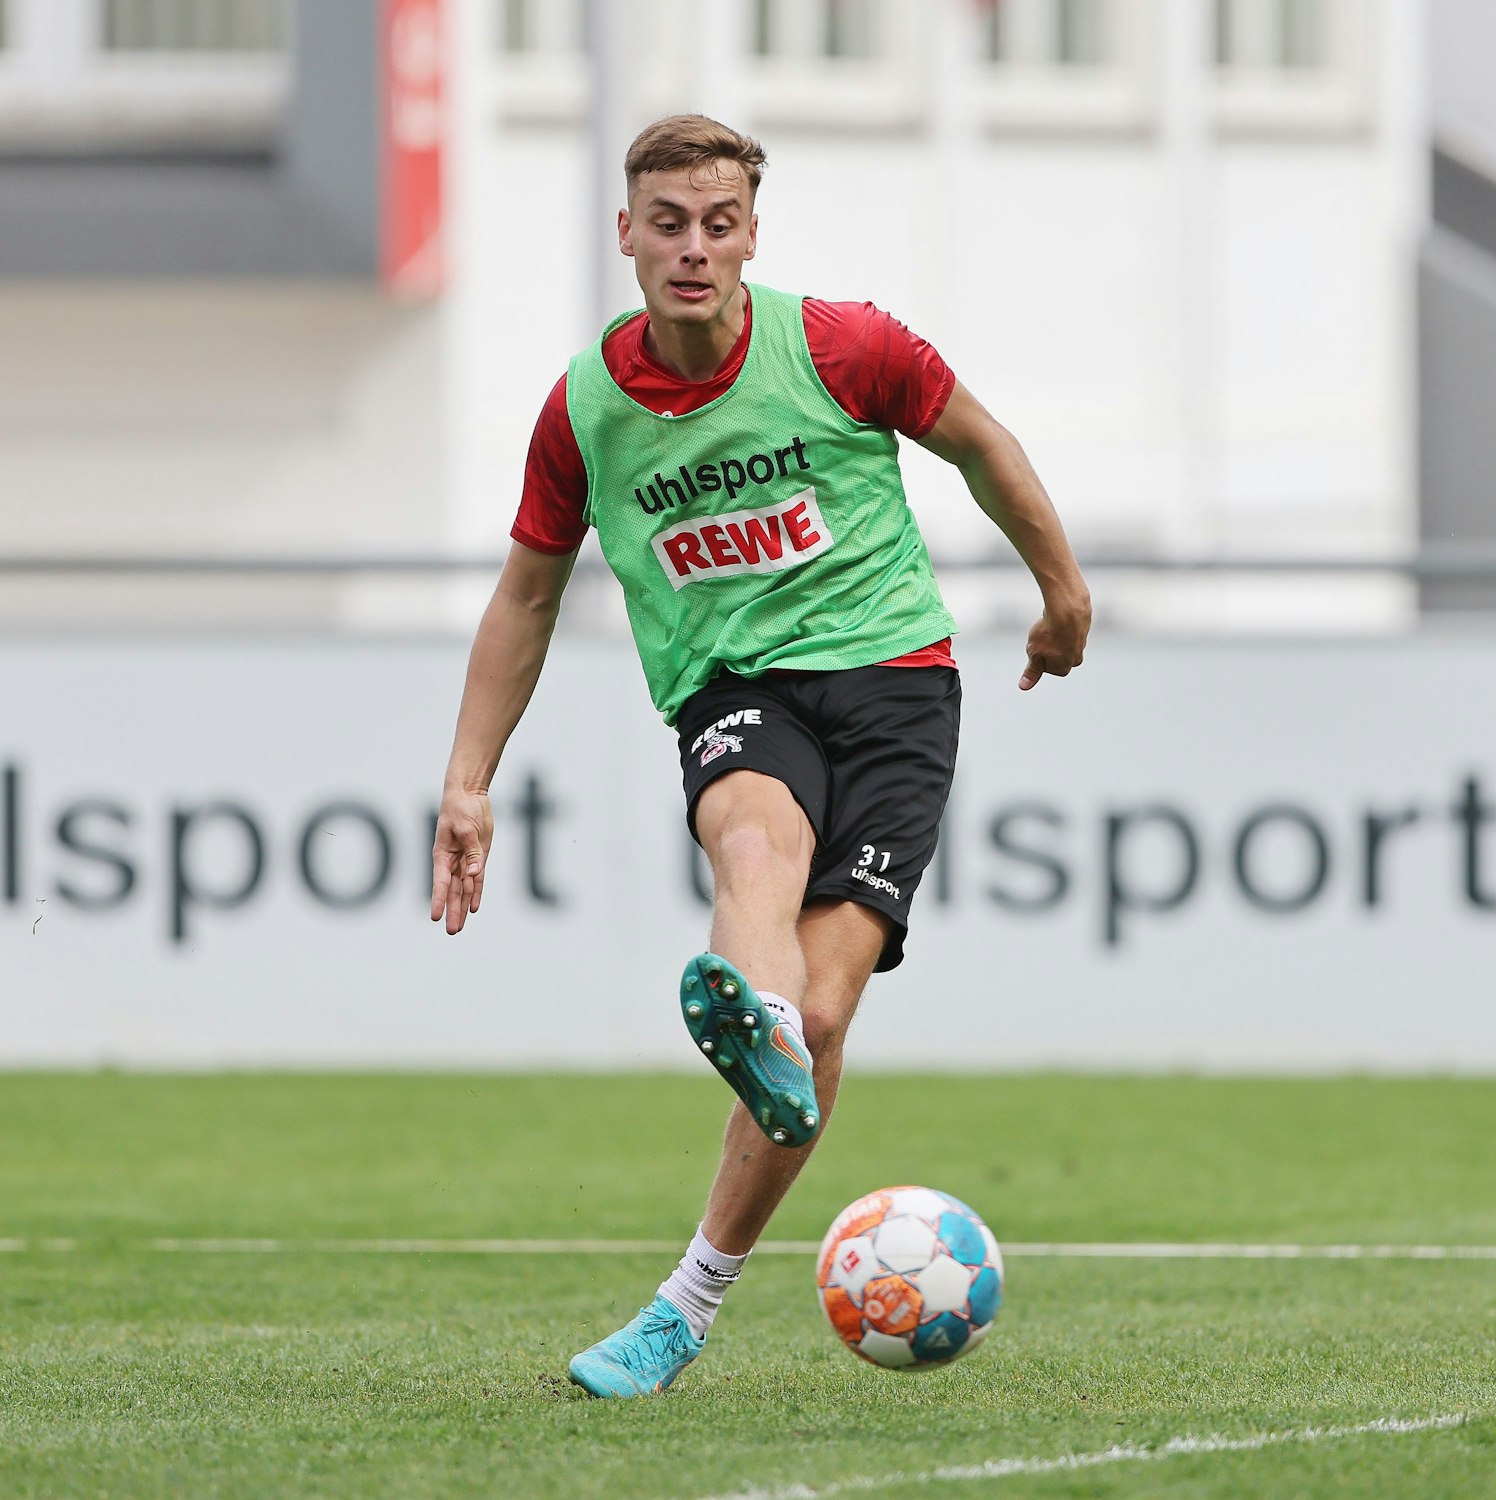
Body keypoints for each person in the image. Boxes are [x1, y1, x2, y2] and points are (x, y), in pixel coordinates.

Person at [428, 114, 1091, 1398]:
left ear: (748, 237)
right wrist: (467, 778)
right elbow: (526, 595)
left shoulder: (843, 346)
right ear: (625, 234)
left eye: (716, 224)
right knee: (751, 836)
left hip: (894, 678)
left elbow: (979, 443)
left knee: (824, 1016)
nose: (692, 247)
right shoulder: (583, 409)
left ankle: (690, 1289)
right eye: (667, 223)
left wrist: (1061, 594)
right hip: (733, 688)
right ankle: (756, 1028)